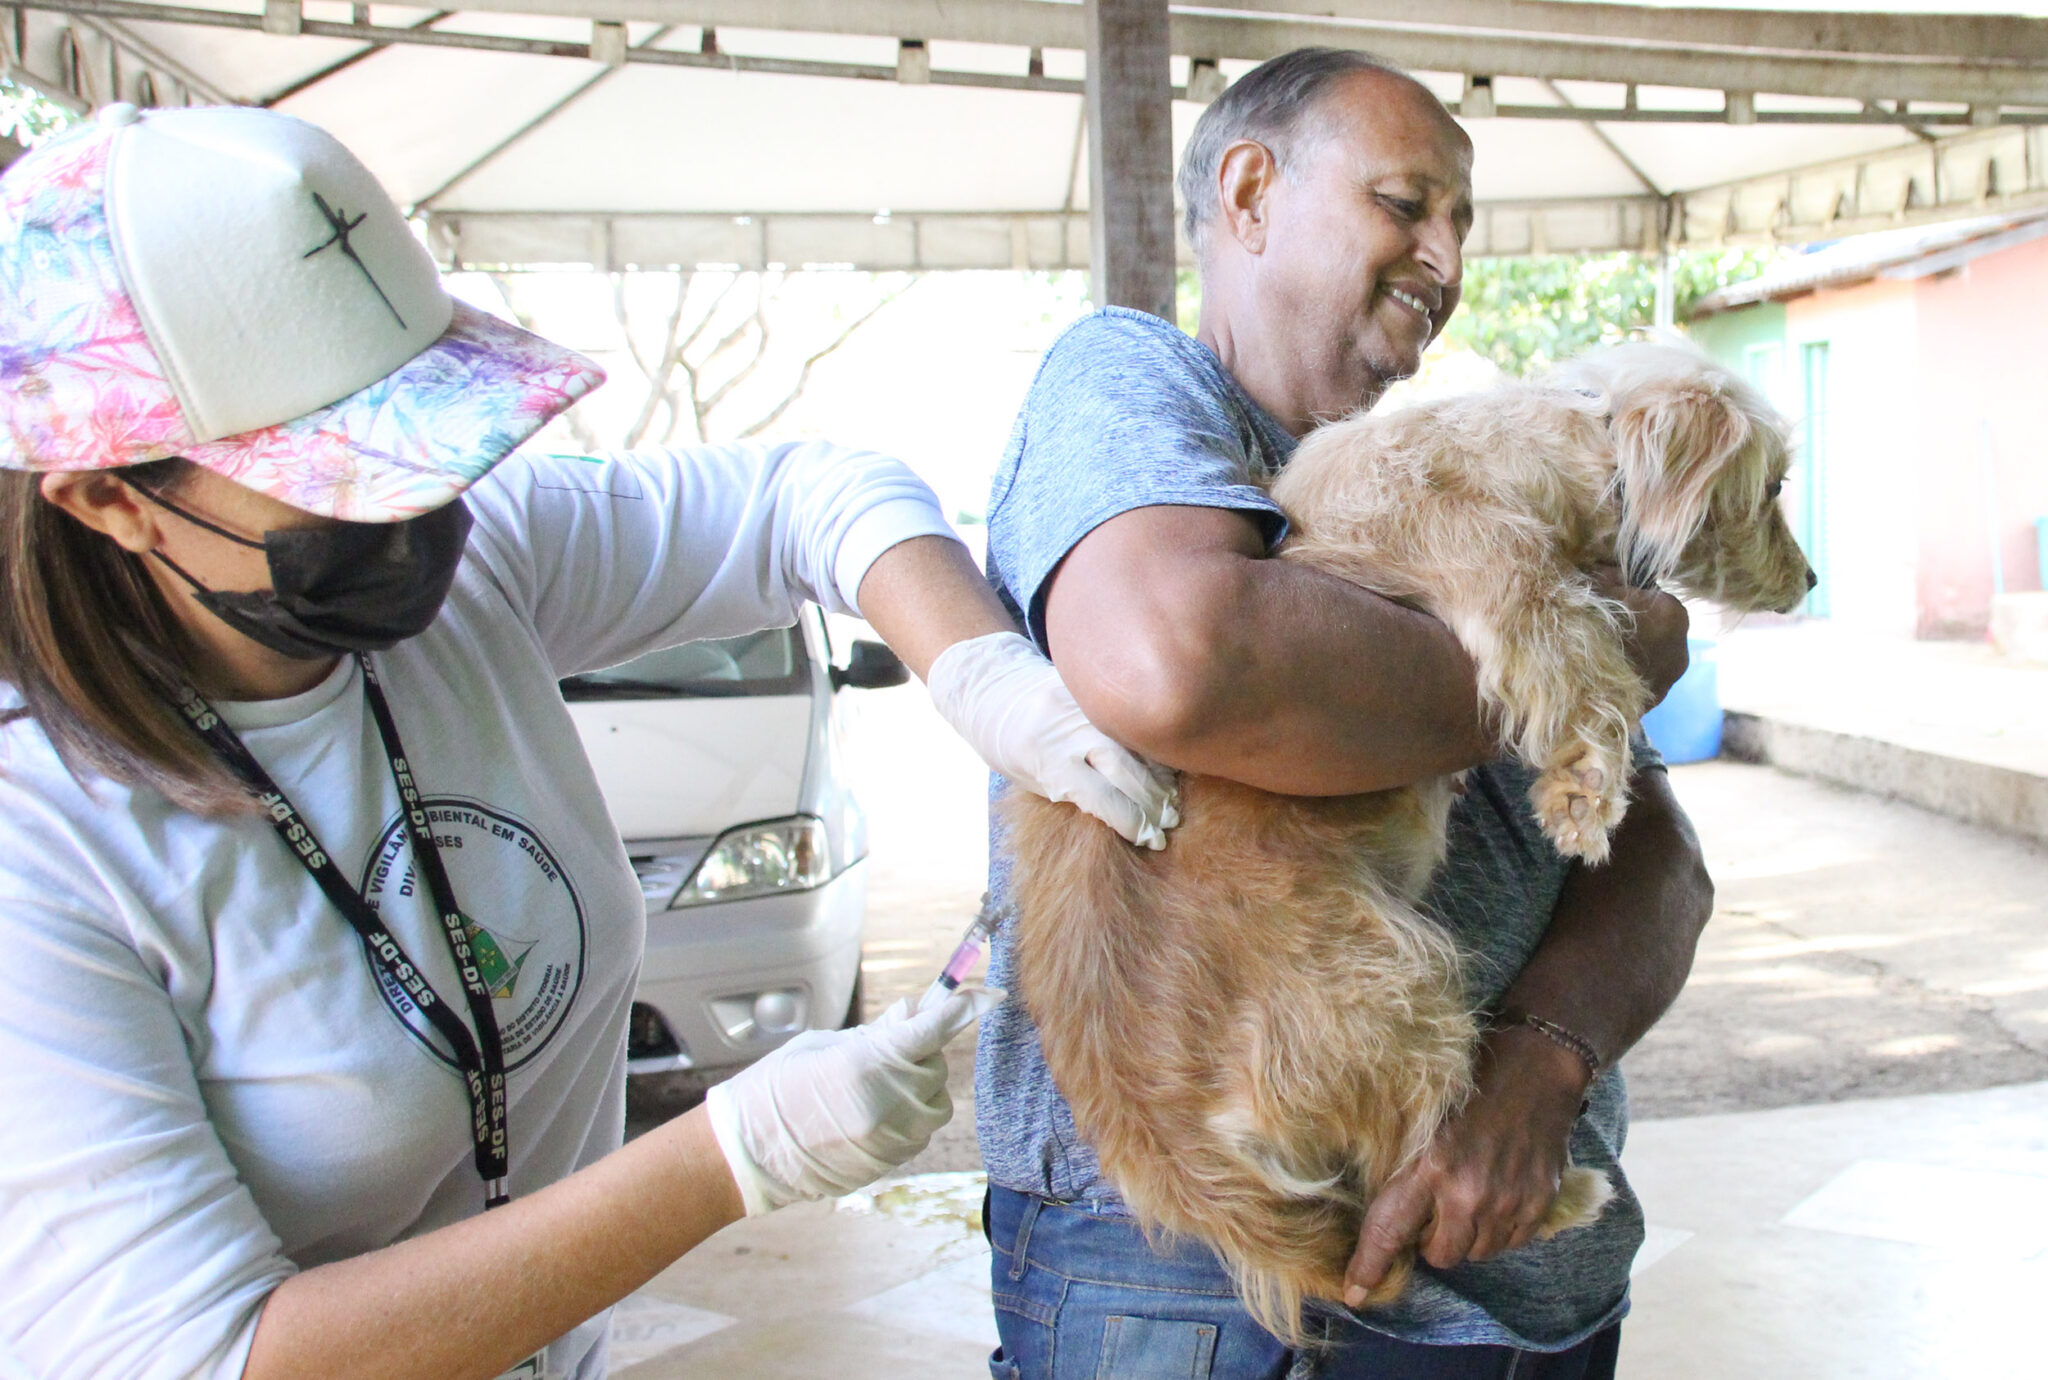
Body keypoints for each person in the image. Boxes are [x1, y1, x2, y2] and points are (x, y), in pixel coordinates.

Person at [0, 104, 1176, 1379]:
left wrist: (981, 669)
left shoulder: (476, 570)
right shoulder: (42, 840)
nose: (421, 516)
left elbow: (808, 494)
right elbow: (211, 1356)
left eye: (430, 443)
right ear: (111, 496)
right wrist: (731, 1156)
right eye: (347, 476)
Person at [975, 49, 1713, 1379]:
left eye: (1462, 224)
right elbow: (1181, 658)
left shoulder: (1456, 471)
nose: (1446, 254)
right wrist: (1577, 656)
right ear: (1249, 195)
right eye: (1406, 202)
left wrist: (1543, 1065)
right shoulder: (1136, 383)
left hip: (1525, 1268)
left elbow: (1659, 864)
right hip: (1202, 1275)